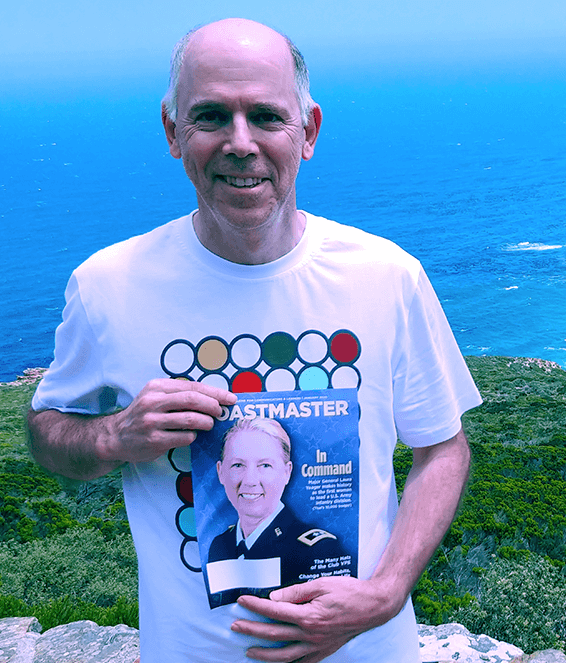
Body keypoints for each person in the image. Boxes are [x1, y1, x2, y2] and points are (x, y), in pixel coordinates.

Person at [26, 17, 481, 663]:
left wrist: (385, 592)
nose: (241, 144)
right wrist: (112, 436)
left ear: (309, 131)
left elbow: (442, 450)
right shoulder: (107, 285)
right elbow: (50, 431)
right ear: (173, 132)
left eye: (266, 116)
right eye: (211, 116)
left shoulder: (386, 274)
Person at [207, 417, 349, 609]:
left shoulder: (319, 550)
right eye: (238, 465)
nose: (250, 481)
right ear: (220, 472)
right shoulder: (219, 545)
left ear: (286, 472)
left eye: (265, 465)